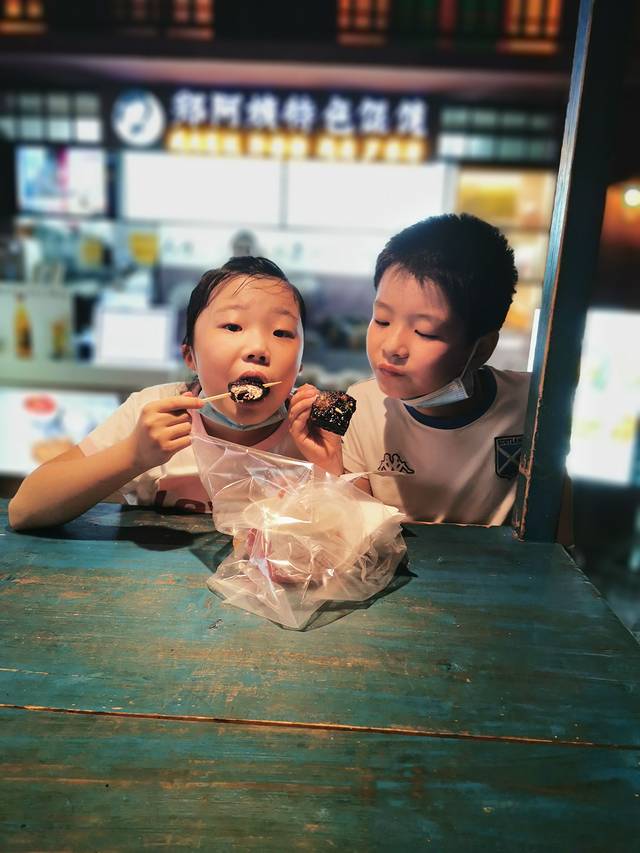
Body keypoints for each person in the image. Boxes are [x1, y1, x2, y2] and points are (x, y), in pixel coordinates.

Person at [289, 213, 572, 543]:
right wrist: (329, 468)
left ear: (481, 349)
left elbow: (558, 542)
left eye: (425, 332)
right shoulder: (361, 407)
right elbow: (358, 541)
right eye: (381, 320)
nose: (392, 347)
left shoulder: (531, 407)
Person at [9, 256, 337, 530]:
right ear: (190, 356)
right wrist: (133, 455)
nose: (258, 348)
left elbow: (349, 543)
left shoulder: (313, 429)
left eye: (282, 332)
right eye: (233, 326)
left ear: (299, 365)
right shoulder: (153, 413)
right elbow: (24, 510)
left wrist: (330, 470)